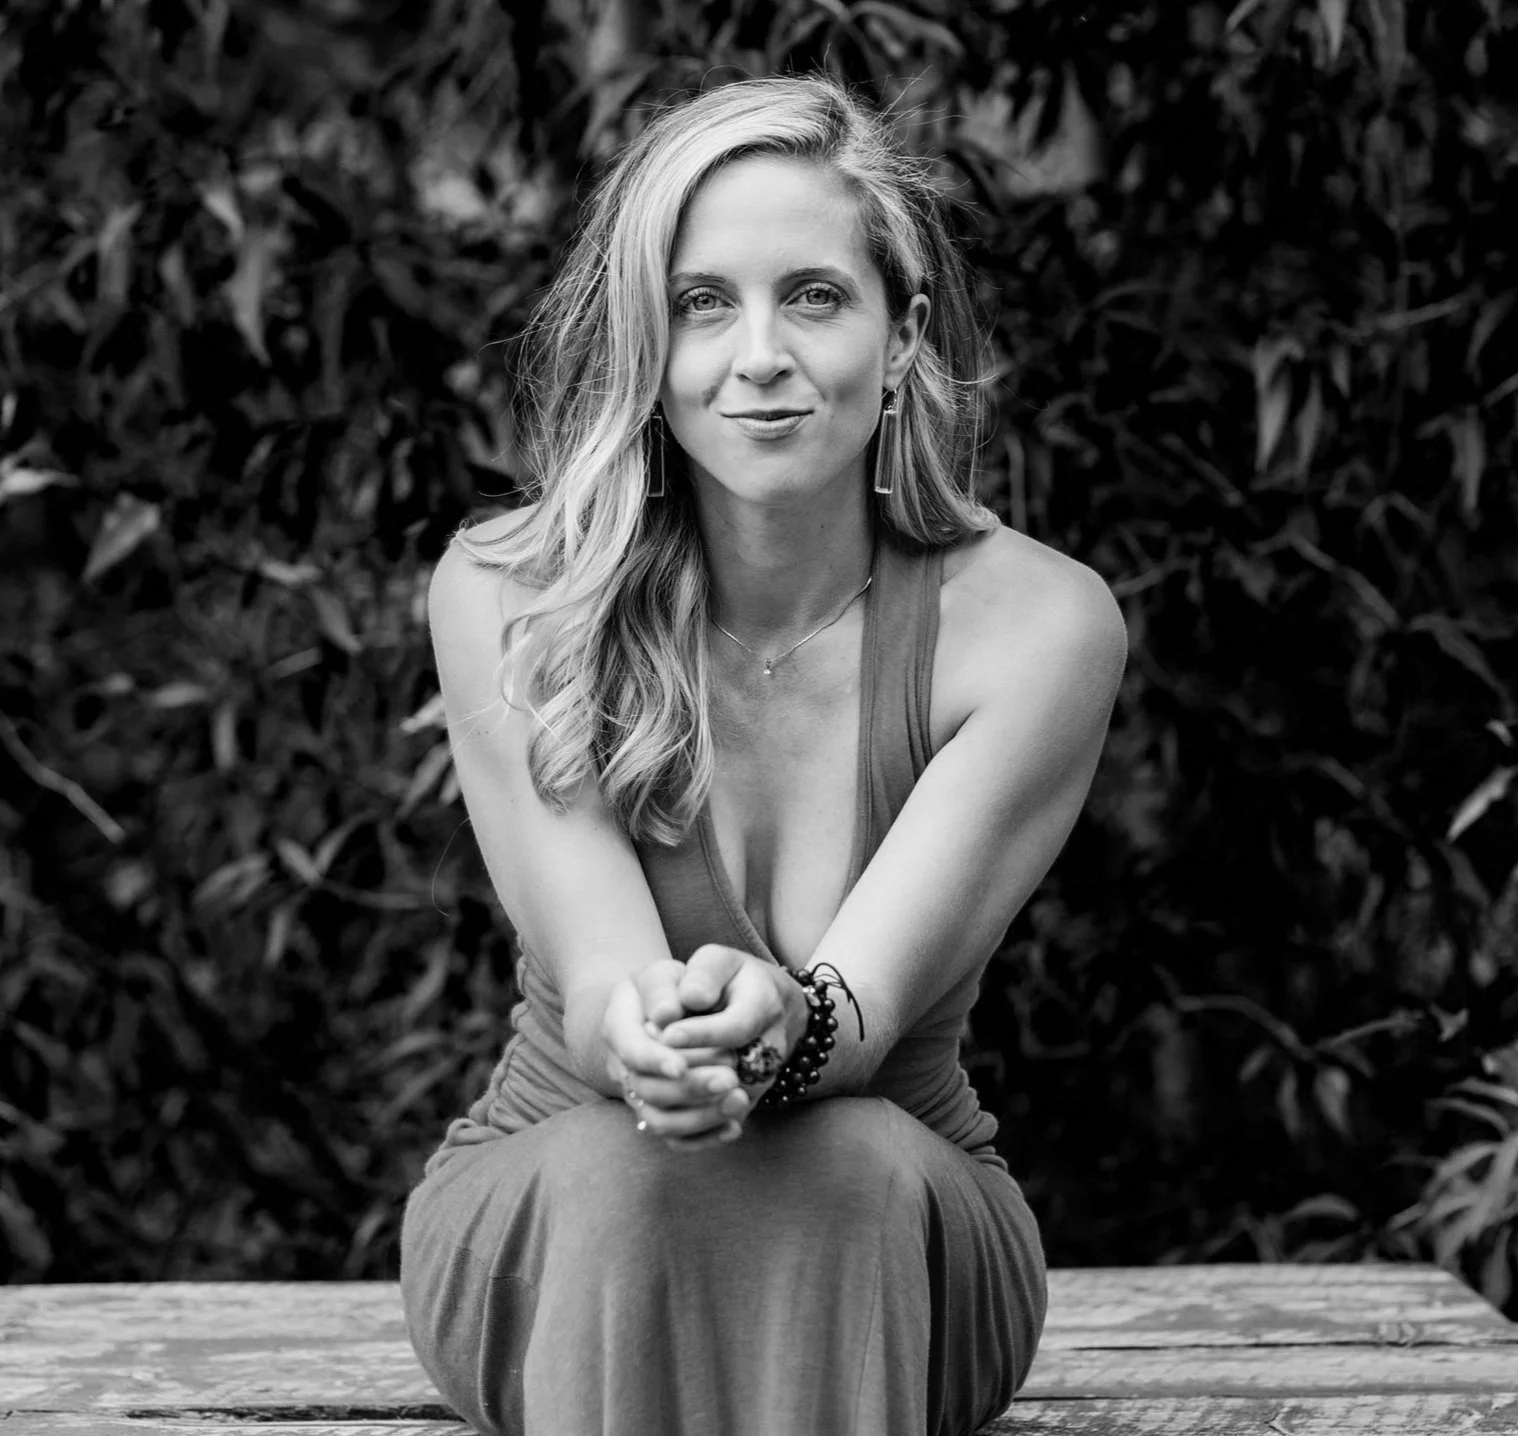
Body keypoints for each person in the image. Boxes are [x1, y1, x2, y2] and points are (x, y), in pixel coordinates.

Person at [400, 73, 1125, 1436]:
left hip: (902, 1223)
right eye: (701, 303)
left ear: (904, 337)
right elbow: (606, 988)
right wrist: (655, 1043)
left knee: (848, 1161)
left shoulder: (1038, 627)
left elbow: (861, 1022)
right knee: (625, 1173)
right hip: (557, 1198)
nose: (760, 356)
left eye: (814, 296)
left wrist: (783, 1028)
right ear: (643, 339)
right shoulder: (511, 595)